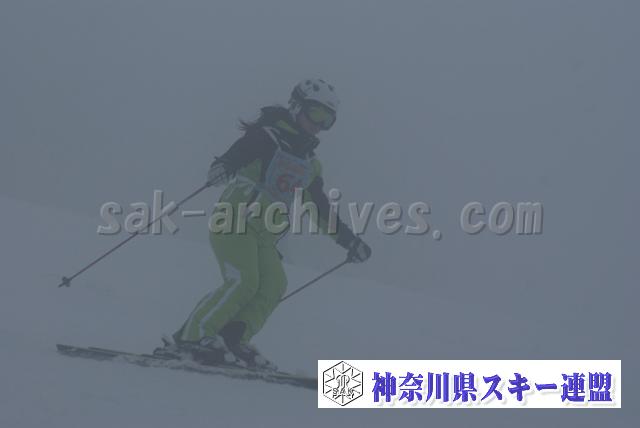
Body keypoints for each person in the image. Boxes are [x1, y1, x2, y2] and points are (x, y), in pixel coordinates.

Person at [156, 79, 371, 370]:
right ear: (296, 106)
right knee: (243, 281)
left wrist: (349, 241)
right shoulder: (268, 136)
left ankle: (232, 339)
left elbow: (319, 208)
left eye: (328, 119)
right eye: (316, 113)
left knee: (273, 285)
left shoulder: (309, 162)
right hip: (234, 220)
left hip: (264, 235)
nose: (319, 124)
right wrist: (224, 166)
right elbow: (239, 153)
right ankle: (191, 338)